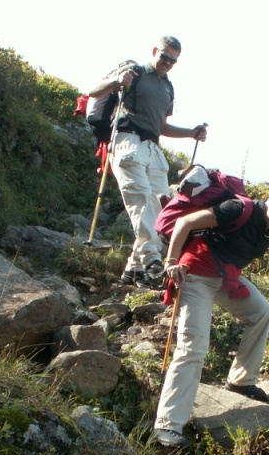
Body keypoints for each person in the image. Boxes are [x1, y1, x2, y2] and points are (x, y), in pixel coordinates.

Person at [151, 184, 269, 449]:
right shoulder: (238, 209)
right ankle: (168, 424)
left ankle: (241, 381)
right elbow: (185, 222)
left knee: (262, 313)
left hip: (226, 278)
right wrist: (170, 263)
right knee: (193, 347)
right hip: (195, 274)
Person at [86, 36, 208, 287]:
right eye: (164, 56)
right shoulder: (134, 71)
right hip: (128, 140)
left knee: (160, 208)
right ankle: (152, 261)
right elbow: (93, 91)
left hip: (153, 147)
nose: (168, 63)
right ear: (154, 51)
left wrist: (191, 133)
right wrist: (116, 81)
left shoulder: (168, 88)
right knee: (140, 200)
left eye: (173, 60)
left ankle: (135, 270)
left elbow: (161, 126)